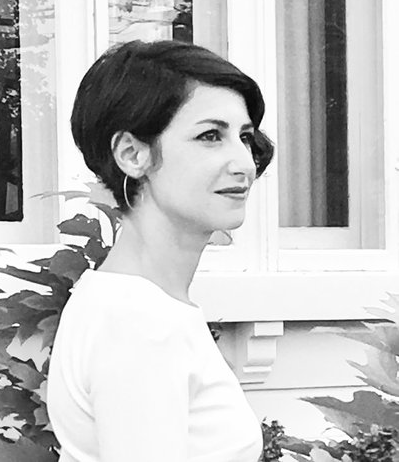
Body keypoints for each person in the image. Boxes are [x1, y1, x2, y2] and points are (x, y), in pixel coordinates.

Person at [47, 40, 274, 462]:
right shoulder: (140, 322)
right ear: (133, 155)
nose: (244, 161)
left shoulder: (127, 302)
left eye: (244, 137)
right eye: (210, 136)